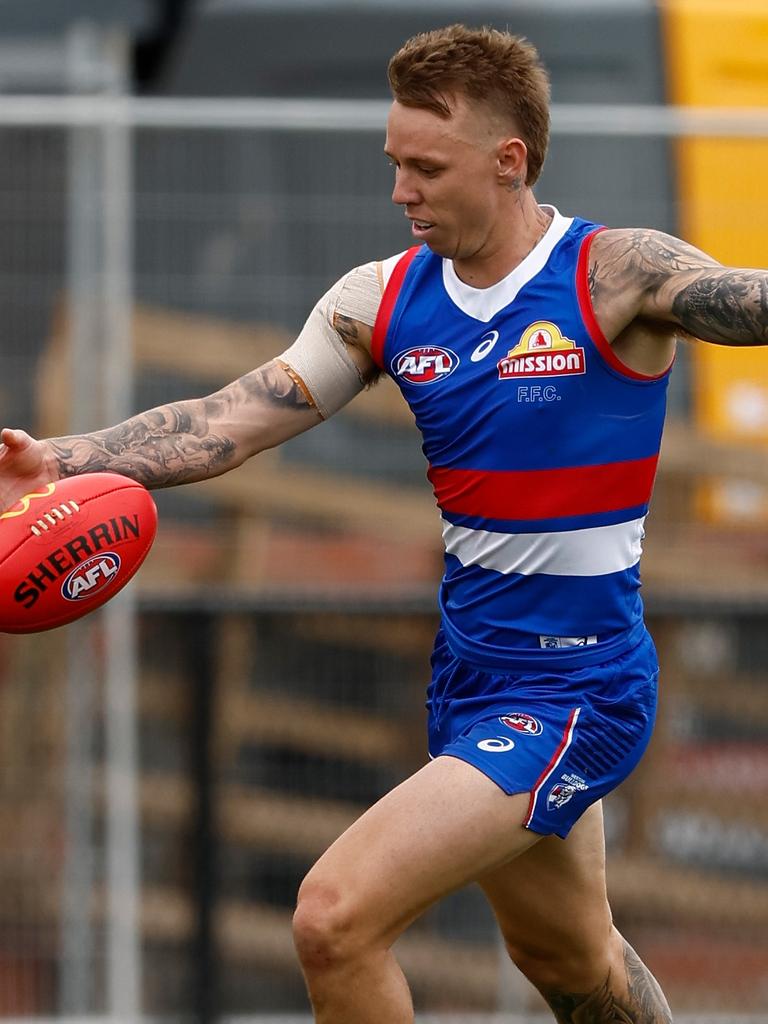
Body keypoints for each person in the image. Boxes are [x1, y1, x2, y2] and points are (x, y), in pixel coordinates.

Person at [0, 22, 765, 1024]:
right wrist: (63, 458)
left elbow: (745, 301)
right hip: (468, 679)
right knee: (571, 959)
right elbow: (228, 423)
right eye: (393, 163)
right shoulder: (381, 300)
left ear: (509, 161)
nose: (400, 189)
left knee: (333, 917)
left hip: (579, 684)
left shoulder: (614, 273)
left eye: (425, 167)